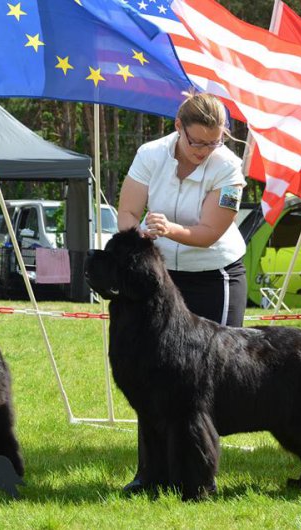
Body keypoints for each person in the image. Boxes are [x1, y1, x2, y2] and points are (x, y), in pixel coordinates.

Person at [118, 93, 247, 494]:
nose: (205, 151)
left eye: (214, 142)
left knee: (204, 385)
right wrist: (138, 241)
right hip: (163, 279)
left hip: (214, 274)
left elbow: (210, 233)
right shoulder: (149, 154)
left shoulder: (229, 169)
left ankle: (197, 477)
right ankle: (150, 474)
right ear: (178, 127)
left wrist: (169, 229)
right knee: (151, 378)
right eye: (197, 143)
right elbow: (127, 215)